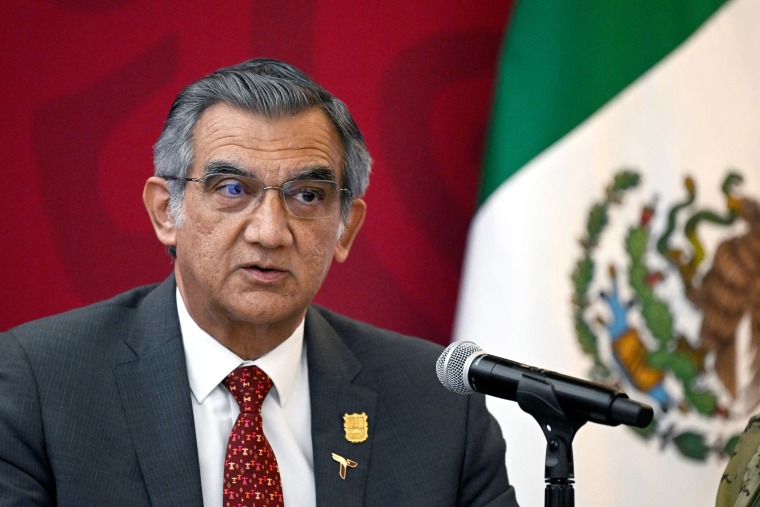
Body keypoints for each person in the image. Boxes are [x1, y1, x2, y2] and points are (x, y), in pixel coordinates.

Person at [0, 58, 518, 506]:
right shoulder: (41, 385)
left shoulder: (438, 405)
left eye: (308, 196)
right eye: (232, 188)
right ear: (166, 212)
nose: (270, 232)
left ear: (346, 228)